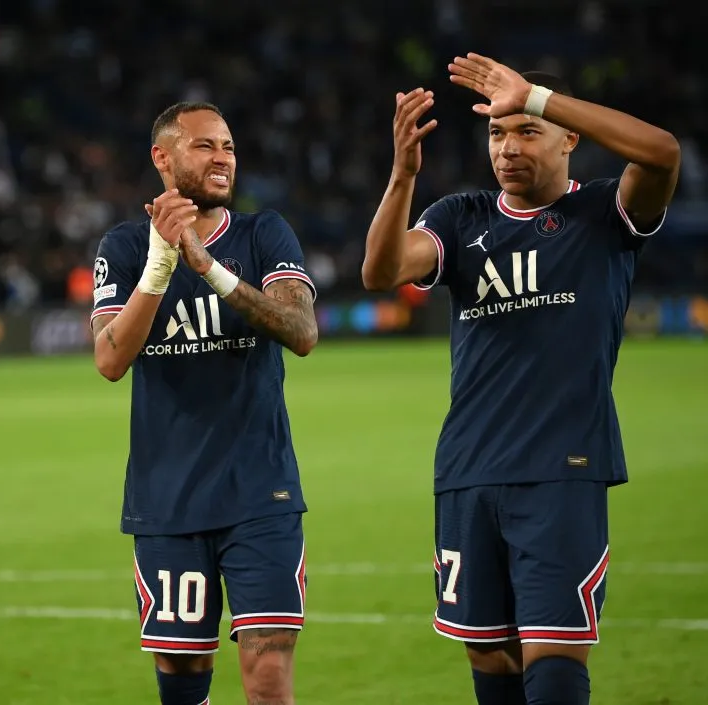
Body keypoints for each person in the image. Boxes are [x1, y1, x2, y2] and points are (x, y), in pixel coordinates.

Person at [361, 54, 680, 705]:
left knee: (555, 659)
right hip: (467, 472)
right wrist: (402, 177)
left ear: (568, 137)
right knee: (493, 660)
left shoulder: (603, 215)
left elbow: (662, 152)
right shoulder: (461, 216)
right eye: (497, 133)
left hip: (562, 470)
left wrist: (537, 96)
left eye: (526, 131)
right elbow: (381, 271)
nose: (507, 148)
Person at [90, 101, 318, 705]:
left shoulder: (263, 232)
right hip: (167, 501)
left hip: (259, 494)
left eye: (229, 147)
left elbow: (301, 331)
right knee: (183, 684)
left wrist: (209, 268)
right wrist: (161, 265)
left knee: (268, 679)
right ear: (162, 158)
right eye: (205, 146)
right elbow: (110, 359)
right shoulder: (121, 246)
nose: (222, 159)